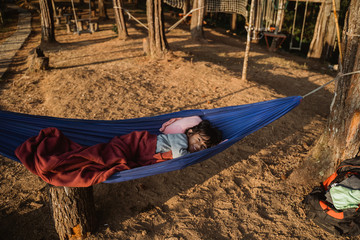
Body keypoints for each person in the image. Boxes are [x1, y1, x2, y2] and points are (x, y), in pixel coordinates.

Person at [156, 120, 222, 158]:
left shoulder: (185, 149)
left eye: (203, 146)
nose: (199, 146)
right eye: (198, 140)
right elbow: (179, 156)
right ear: (190, 133)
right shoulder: (181, 138)